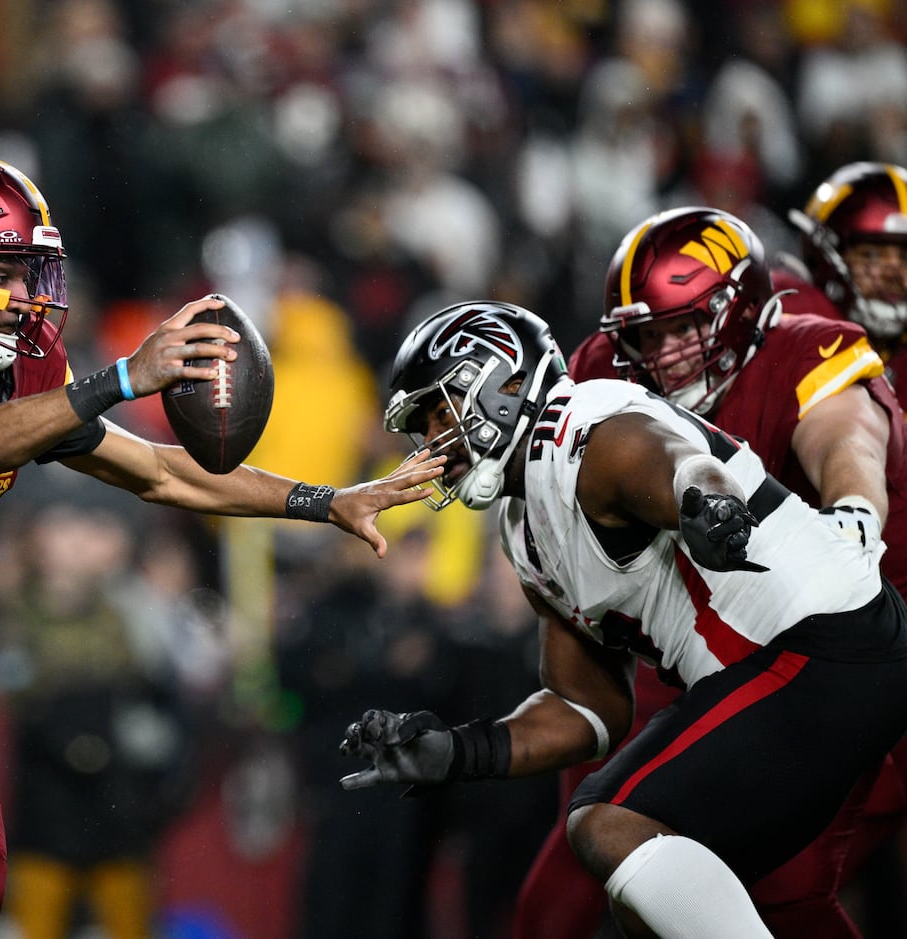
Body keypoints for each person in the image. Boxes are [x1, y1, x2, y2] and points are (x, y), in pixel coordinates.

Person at [0, 150, 444, 939]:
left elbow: (159, 474)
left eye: (33, 272)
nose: (25, 297)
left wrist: (325, 501)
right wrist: (117, 380)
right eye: (3, 268)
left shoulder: (29, 367)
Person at [340, 298, 907, 939]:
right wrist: (459, 751)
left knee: (609, 821)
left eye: (441, 412)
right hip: (800, 672)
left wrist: (703, 498)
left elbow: (670, 458)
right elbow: (588, 708)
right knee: (657, 900)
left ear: (501, 382)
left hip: (820, 639)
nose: (434, 444)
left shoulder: (579, 424)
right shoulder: (522, 527)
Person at [516, 207, 907, 937]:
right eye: (648, 333)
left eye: (684, 327)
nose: (664, 355)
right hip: (687, 648)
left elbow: (844, 434)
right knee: (604, 883)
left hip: (829, 636)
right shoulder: (597, 370)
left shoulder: (803, 344)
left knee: (775, 883)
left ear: (741, 310)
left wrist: (853, 508)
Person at [782, 161, 907, 387]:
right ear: (823, 255)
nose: (894, 274)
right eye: (871, 254)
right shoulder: (789, 318)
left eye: (905, 258)